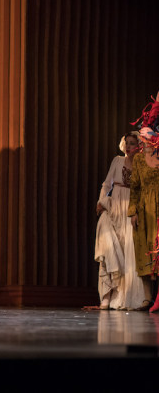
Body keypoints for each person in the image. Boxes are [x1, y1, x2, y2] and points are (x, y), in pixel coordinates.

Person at [94, 132, 145, 310]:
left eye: (133, 143)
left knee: (127, 251)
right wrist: (101, 201)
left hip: (130, 209)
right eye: (128, 143)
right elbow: (107, 184)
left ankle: (125, 295)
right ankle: (107, 295)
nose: (130, 146)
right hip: (114, 206)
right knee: (109, 246)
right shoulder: (117, 161)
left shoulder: (141, 164)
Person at [130, 92, 159, 312]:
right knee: (143, 250)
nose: (144, 141)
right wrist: (133, 212)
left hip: (158, 207)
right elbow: (135, 187)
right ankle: (147, 298)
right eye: (142, 138)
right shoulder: (139, 159)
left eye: (147, 137)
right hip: (144, 209)